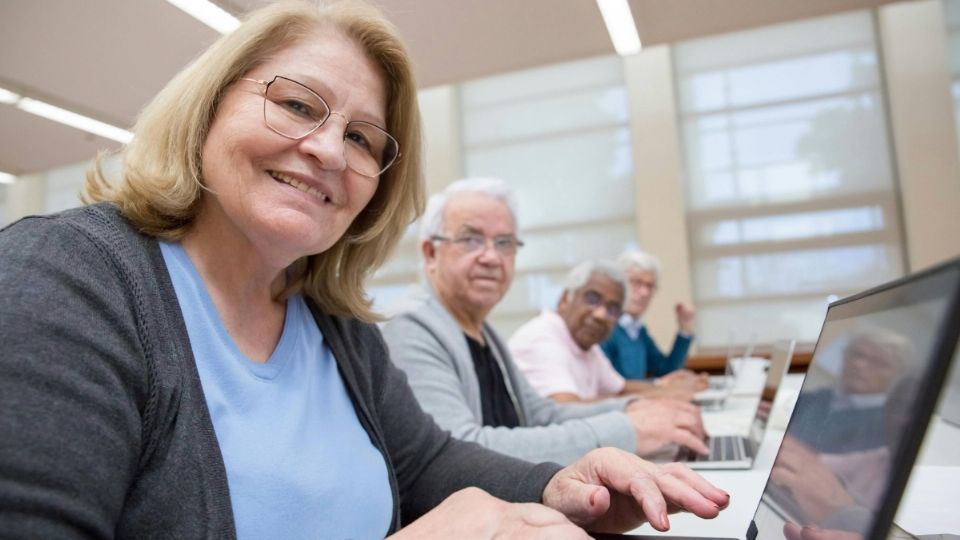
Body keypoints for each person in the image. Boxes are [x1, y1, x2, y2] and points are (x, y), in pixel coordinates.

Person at [0, 2, 731, 538]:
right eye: (294, 104)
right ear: (206, 110)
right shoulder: (68, 278)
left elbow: (427, 465)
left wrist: (564, 483)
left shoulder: (335, 324)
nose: (325, 150)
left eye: (360, 137)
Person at [383, 178, 710, 465]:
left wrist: (636, 409)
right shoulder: (411, 327)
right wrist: (625, 430)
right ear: (430, 253)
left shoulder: (484, 332)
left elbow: (541, 415)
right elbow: (458, 452)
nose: (491, 257)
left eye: (505, 243)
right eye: (471, 239)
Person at [510, 260, 702, 404]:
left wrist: (668, 388)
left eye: (613, 309)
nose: (601, 315)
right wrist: (661, 393)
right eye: (592, 298)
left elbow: (620, 388)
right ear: (564, 299)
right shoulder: (542, 338)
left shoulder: (586, 346)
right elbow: (567, 409)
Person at [787, 329, 908, 453]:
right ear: (845, 355)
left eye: (878, 362)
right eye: (857, 354)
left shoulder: (887, 430)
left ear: (897, 374)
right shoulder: (808, 399)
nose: (859, 364)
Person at [601, 250, 706, 392]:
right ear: (618, 284)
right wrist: (659, 383)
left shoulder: (637, 329)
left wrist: (684, 329)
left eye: (650, 286)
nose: (644, 293)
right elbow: (611, 387)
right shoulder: (602, 328)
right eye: (636, 283)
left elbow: (665, 371)